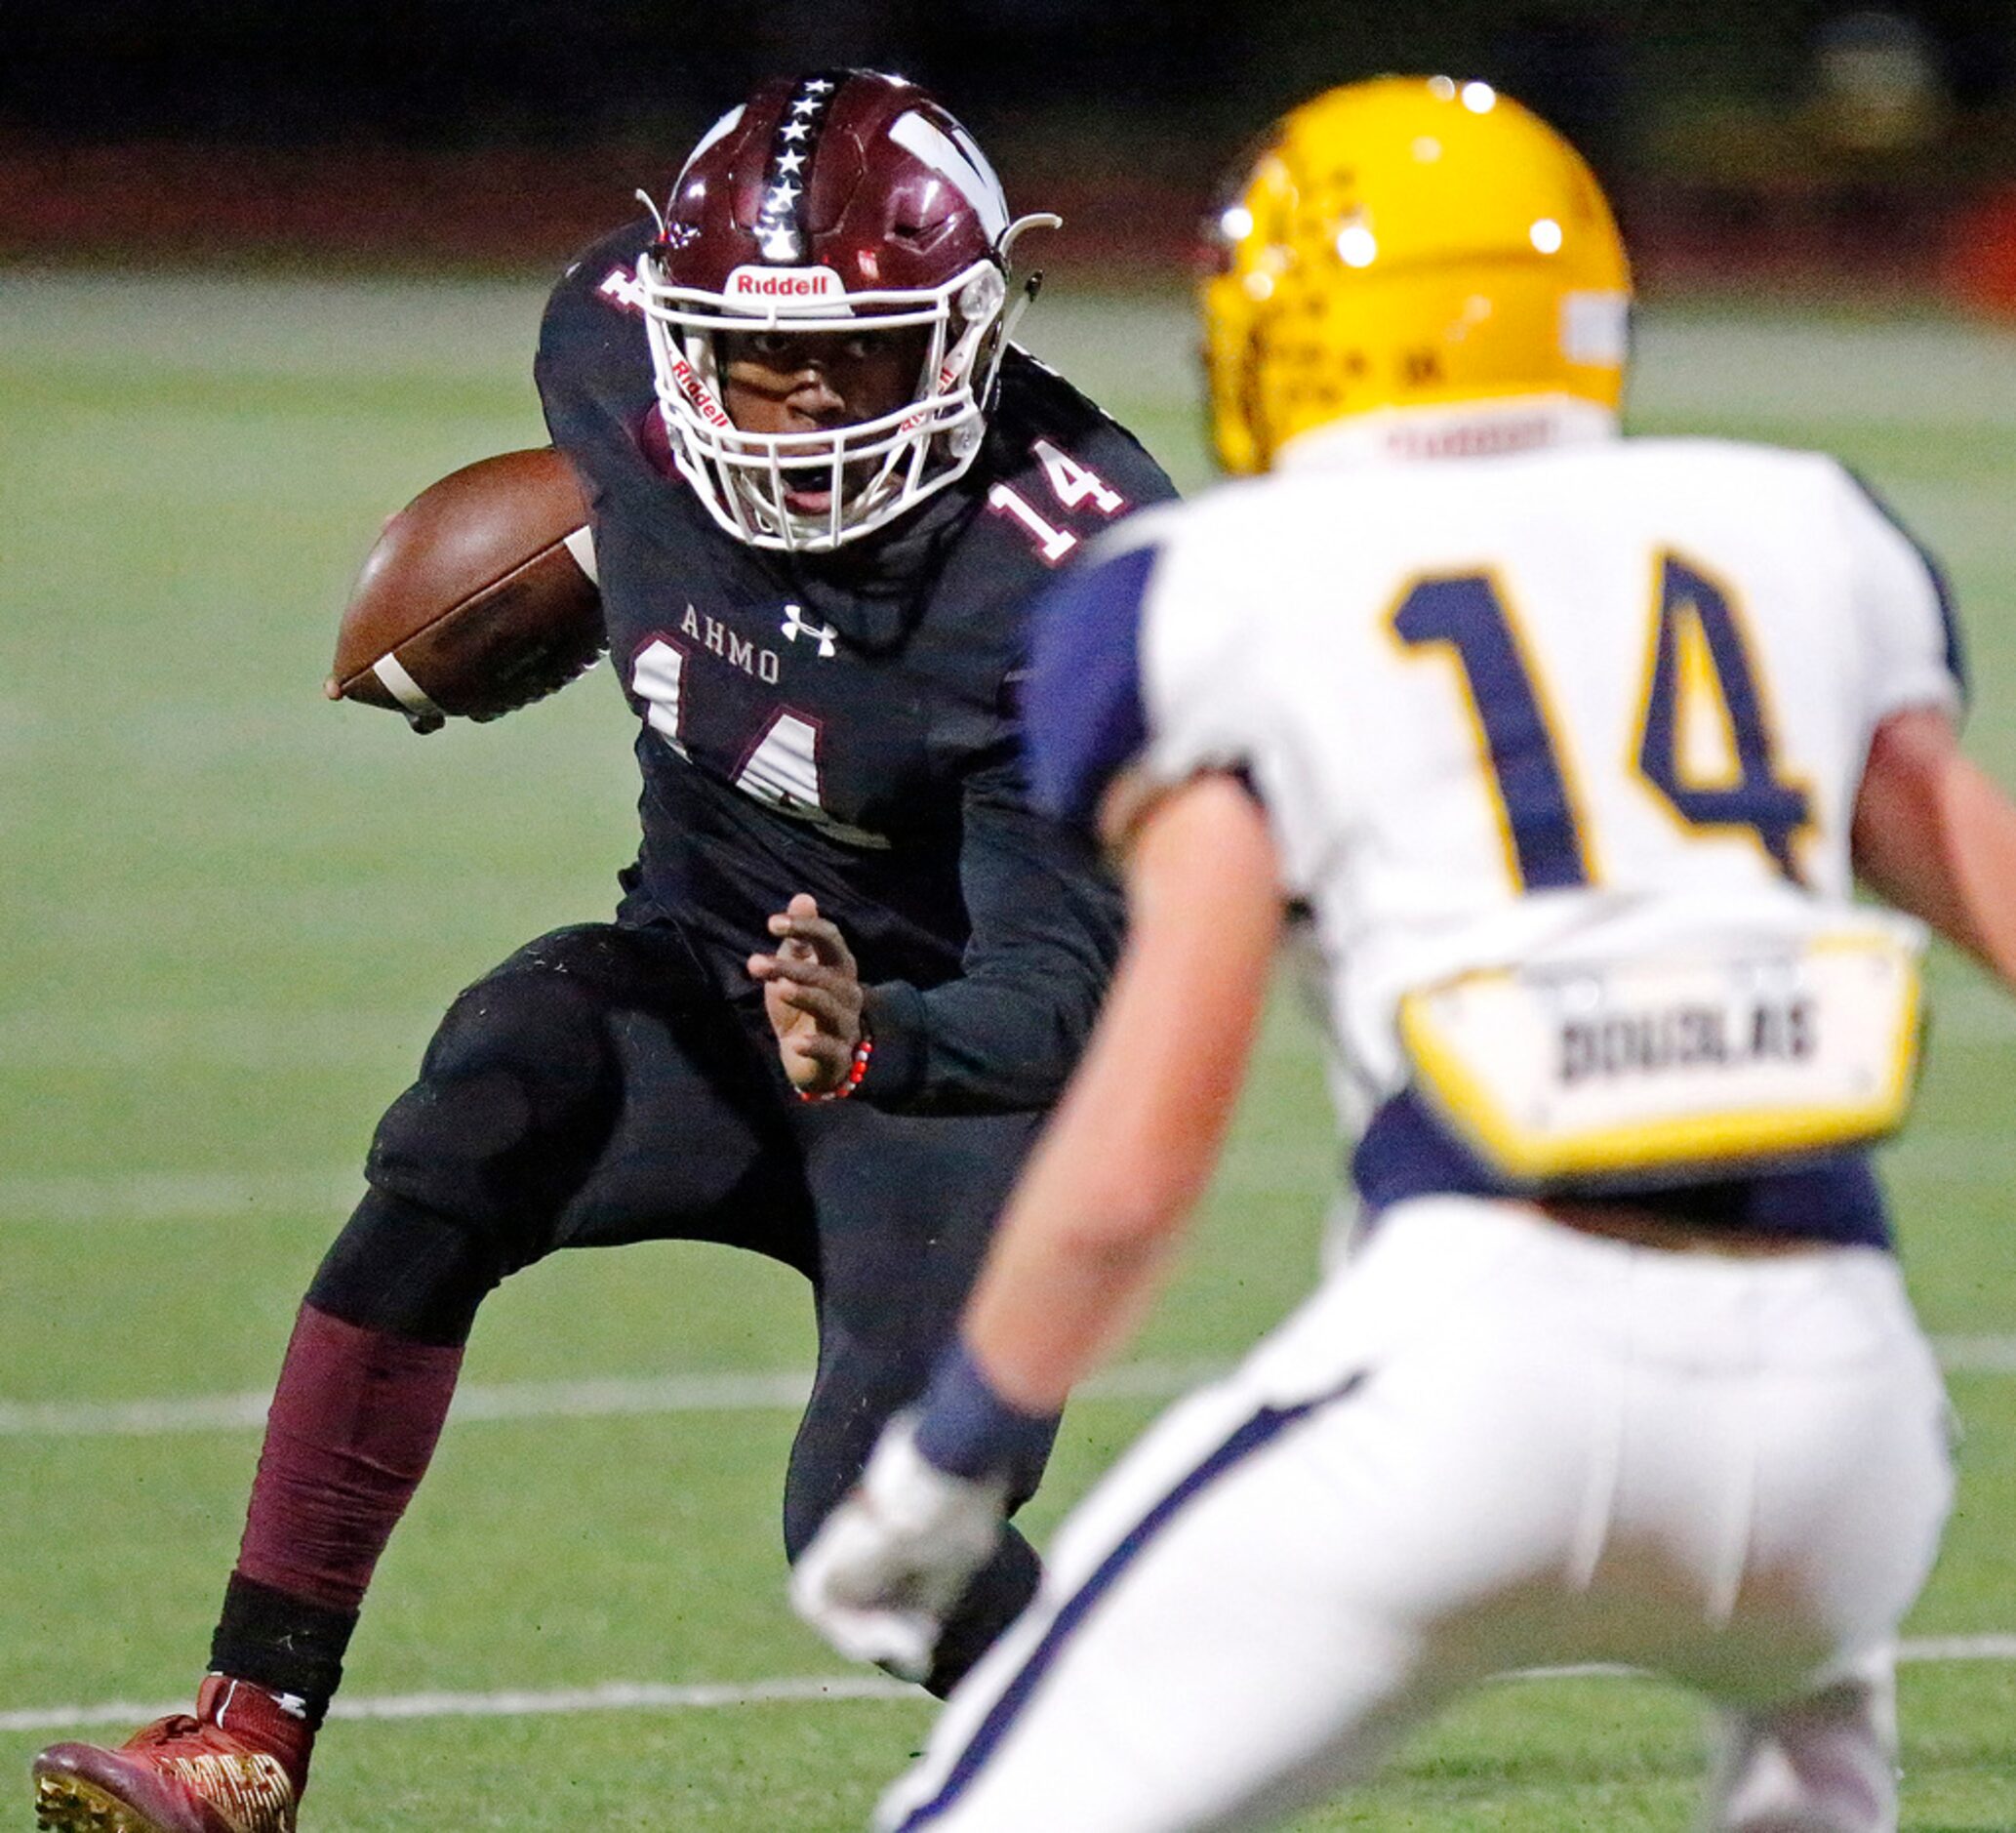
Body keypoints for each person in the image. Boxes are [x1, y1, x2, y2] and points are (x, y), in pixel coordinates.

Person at [792, 74, 2004, 1833]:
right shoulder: (1798, 528)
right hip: (1849, 1415)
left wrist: (948, 1459)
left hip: (1487, 1373)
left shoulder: (1218, 582)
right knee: (1809, 1728)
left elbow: (1137, 1160)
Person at [31, 69, 1175, 1833]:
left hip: (959, 1071)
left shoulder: (1074, 566)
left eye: (856, 357)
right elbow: (629, 481)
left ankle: (1160, 1751)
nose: (796, 408)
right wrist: (570, 572)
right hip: (701, 974)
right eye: (751, 356)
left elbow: (1064, 990)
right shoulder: (610, 347)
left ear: (969, 331)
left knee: (875, 1546)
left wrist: (877, 1040)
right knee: (480, 1097)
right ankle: (244, 1735)